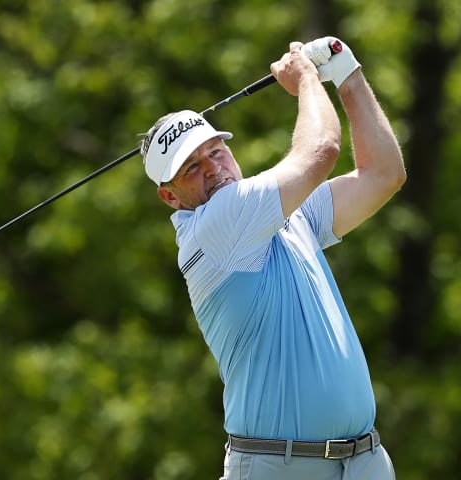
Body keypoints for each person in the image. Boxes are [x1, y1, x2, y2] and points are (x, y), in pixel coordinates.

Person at [139, 37, 405, 480]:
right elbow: (321, 150)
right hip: (278, 466)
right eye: (192, 167)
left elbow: (384, 175)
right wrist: (304, 77)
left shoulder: (284, 215)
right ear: (170, 196)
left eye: (216, 151)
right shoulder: (215, 224)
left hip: (364, 462)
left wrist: (347, 74)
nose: (213, 168)